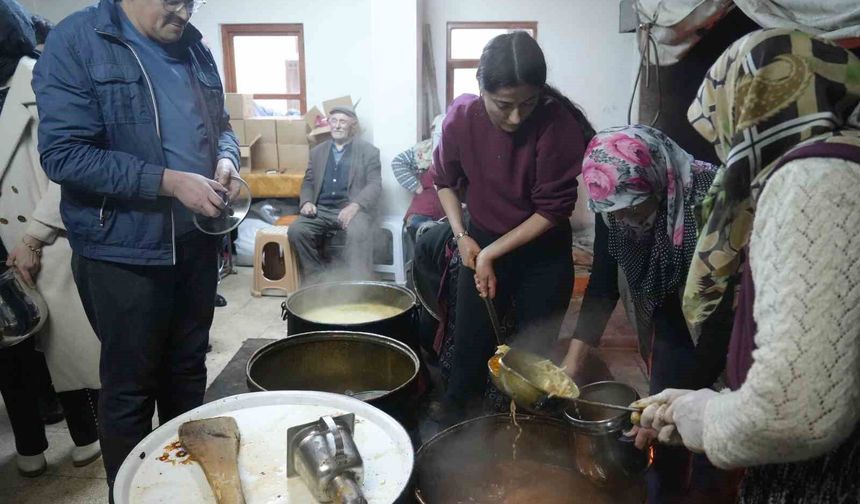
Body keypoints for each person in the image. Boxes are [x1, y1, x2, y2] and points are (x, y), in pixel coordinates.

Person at [634, 29, 860, 503]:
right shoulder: (844, 159)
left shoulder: (814, 180)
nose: (726, 150)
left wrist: (705, 417)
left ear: (751, 108)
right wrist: (708, 403)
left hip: (831, 476)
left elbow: (796, 412)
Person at [32, 0, 241, 493]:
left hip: (195, 243)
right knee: (131, 388)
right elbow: (64, 155)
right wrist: (168, 181)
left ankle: (184, 491)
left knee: (187, 373)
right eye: (175, 0)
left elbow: (223, 127)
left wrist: (227, 159)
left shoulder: (195, 49)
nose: (185, 12)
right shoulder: (78, 41)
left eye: (193, 1)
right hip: (124, 252)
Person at [561, 125, 736, 502]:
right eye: (614, 212)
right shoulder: (612, 199)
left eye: (634, 207)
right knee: (663, 437)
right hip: (668, 318)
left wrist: (680, 399)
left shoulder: (714, 203)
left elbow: (721, 322)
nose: (624, 219)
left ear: (660, 182)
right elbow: (603, 282)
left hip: (719, 327)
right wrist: (572, 363)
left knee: (710, 436)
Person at [431, 31, 593, 424]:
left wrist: (490, 252)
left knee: (532, 355)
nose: (516, 117)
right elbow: (444, 181)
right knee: (470, 341)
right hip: (482, 239)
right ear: (481, 88)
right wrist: (462, 235)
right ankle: (457, 418)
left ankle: (520, 427)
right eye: (504, 105)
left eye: (528, 103)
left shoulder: (556, 124)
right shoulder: (461, 118)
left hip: (543, 251)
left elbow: (553, 209)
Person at [0, 0, 101, 477]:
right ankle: (29, 442)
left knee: (64, 346)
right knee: (11, 353)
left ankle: (86, 432)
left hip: (44, 235)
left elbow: (71, 167)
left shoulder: (43, 82)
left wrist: (34, 237)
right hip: (3, 240)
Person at [288, 106, 382, 283]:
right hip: (321, 210)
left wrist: (355, 206)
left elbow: (375, 185)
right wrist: (306, 202)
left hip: (352, 210)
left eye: (343, 121)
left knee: (359, 230)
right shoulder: (317, 152)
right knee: (297, 230)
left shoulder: (368, 151)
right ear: (329, 124)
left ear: (352, 126)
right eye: (334, 121)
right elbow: (308, 181)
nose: (337, 125)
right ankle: (318, 280)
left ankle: (356, 283)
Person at [392, 113, 446, 256]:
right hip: (424, 209)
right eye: (436, 128)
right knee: (418, 227)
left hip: (451, 209)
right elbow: (397, 162)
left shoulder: (461, 149)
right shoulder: (422, 150)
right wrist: (416, 186)